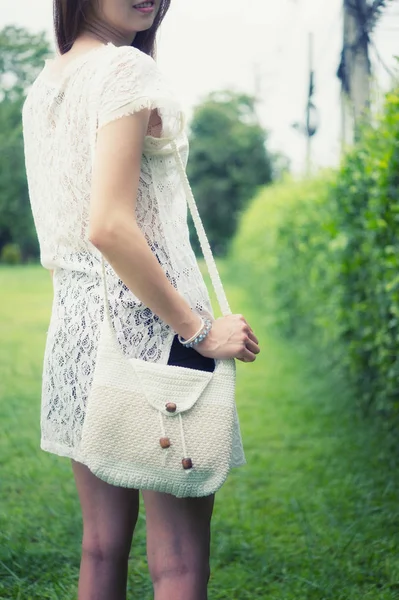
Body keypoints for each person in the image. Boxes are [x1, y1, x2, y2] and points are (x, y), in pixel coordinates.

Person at [22, 1, 260, 598]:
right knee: (178, 563)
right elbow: (109, 224)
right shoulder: (125, 68)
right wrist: (198, 331)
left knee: (101, 547)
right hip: (148, 331)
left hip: (75, 333)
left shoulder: (44, 86)